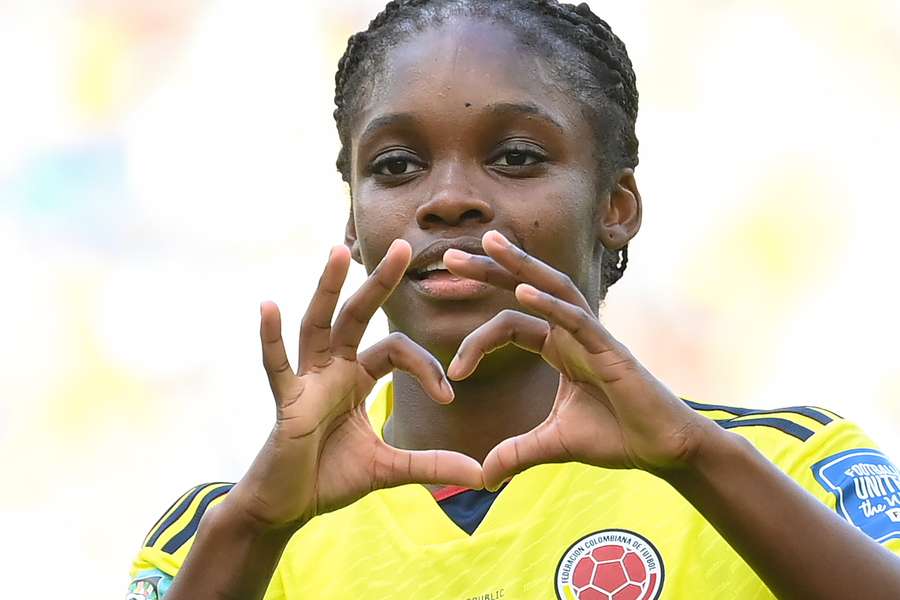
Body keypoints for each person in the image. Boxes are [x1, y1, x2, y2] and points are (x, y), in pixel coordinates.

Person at [127, 1, 900, 598]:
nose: (450, 200)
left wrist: (694, 458)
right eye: (397, 167)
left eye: (517, 157)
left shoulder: (795, 467)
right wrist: (259, 527)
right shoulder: (223, 532)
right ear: (353, 221)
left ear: (615, 204)